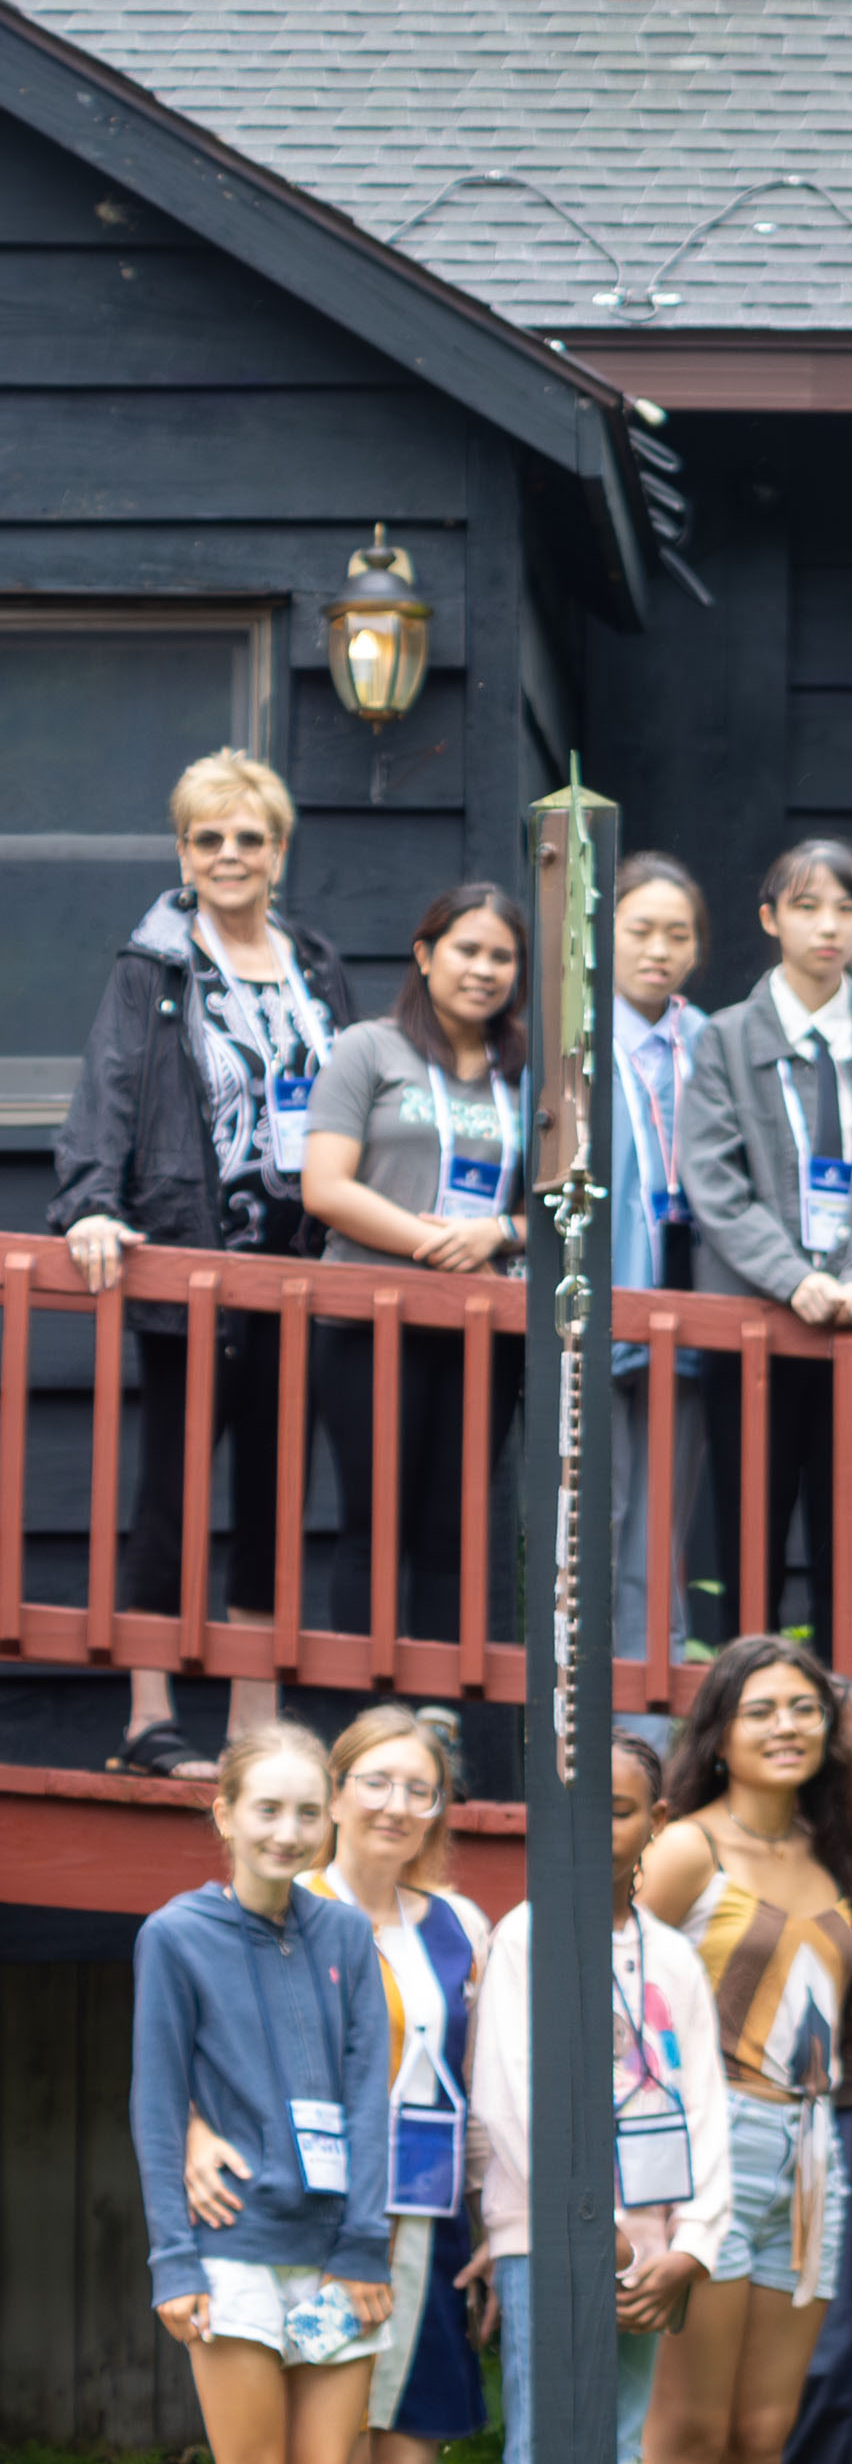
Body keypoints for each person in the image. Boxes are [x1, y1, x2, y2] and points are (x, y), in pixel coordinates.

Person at [52, 748, 354, 1775]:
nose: (229, 855)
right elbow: (110, 1091)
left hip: (302, 1275)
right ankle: (149, 1722)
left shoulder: (313, 962)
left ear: (279, 850)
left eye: (249, 838)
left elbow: (354, 1102)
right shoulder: (155, 966)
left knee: (274, 1494)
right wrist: (91, 1203)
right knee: (172, 1491)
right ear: (185, 851)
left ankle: (252, 1727)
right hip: (194, 1261)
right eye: (208, 838)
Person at [132, 1721, 396, 2464]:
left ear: (329, 1816)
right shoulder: (175, 1936)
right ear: (225, 1816)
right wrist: (173, 2261)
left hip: (338, 2259)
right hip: (234, 2255)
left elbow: (369, 2097)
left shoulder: (345, 1938)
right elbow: (157, 2101)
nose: (288, 1830)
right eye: (267, 1810)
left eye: (306, 1810)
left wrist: (364, 2240)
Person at [626, 1636, 852, 2464]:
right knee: (685, 2431)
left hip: (816, 2154)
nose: (787, 1726)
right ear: (719, 1731)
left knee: (762, 2434)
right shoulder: (684, 1848)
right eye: (762, 1709)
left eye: (806, 1709)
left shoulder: (839, 1850)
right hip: (710, 2150)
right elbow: (616, 2002)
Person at [467, 1728, 724, 2464]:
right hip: (554, 2243)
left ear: (655, 1827)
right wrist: (590, 2220)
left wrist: (694, 2246)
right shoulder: (531, 1936)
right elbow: (509, 2098)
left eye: (615, 1811)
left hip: (651, 2262)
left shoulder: (670, 1958)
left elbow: (706, 2106)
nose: (592, 1829)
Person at [675, 835, 852, 1659]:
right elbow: (713, 1178)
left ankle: (845, 1726)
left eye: (846, 907)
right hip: (755, 1314)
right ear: (770, 919)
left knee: (849, 1536)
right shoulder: (722, 1038)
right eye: (806, 906)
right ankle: (746, 1713)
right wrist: (793, 1279)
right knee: (749, 1533)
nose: (828, 926)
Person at [298, 886, 545, 1679]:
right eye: (467, 950)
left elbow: (570, 1202)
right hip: (368, 1318)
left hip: (482, 1325)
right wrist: (437, 1245)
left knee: (452, 1527)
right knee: (374, 1523)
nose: (484, 969)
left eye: (502, 956)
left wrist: (498, 1233)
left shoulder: (531, 1071)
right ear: (425, 953)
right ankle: (369, 1726)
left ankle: (434, 1726)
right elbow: (325, 1187)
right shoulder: (366, 1049)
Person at [304, 1708, 482, 2464]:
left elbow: (494, 2086)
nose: (397, 1806)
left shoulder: (461, 1922)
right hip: (329, 2229)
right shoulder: (297, 1913)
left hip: (437, 2221)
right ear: (335, 1793)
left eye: (419, 1789)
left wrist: (494, 2232)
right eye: (376, 1782)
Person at [591, 851, 711, 1669]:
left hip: (689, 1303)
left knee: (663, 1527)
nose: (657, 950)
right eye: (640, 930)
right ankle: (582, 1716)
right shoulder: (568, 1035)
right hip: (594, 1305)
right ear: (605, 934)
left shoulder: (712, 1041)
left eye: (677, 934)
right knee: (595, 1511)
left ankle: (648, 1730)